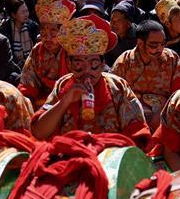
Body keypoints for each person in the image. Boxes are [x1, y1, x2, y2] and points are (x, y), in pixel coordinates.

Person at [32, 14, 150, 145]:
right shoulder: (63, 85)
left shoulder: (117, 86)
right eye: (78, 63)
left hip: (108, 157)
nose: (86, 70)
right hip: (69, 154)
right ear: (69, 64)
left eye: (93, 63)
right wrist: (65, 101)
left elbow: (137, 134)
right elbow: (39, 132)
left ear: (102, 64)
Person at [111, 19, 180, 130]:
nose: (160, 49)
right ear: (140, 43)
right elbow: (114, 93)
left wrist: (162, 113)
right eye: (154, 45)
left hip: (165, 112)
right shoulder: (125, 61)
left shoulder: (172, 58)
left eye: (162, 44)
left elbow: (179, 94)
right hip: (131, 115)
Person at [17, 0, 72, 108]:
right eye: (43, 33)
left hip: (68, 99)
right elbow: (28, 80)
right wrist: (27, 101)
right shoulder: (38, 50)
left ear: (62, 32)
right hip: (41, 103)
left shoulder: (71, 50)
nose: (47, 38)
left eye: (53, 32)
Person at [0, 0, 38, 68]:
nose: (26, 14)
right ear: (14, 15)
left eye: (26, 11)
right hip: (14, 66)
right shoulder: (6, 29)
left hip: (33, 64)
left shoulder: (32, 26)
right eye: (23, 12)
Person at [106, 0, 138, 65]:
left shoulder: (139, 36)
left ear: (128, 23)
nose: (113, 24)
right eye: (112, 20)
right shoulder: (106, 35)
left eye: (118, 21)